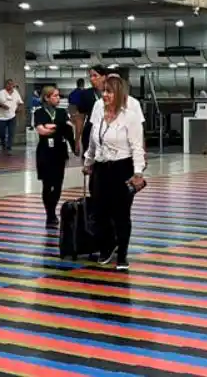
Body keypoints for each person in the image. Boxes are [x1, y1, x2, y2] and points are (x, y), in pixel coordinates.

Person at [83, 74, 146, 271]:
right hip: (102, 168)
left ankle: (123, 254)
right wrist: (88, 161)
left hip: (122, 167)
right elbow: (94, 141)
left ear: (118, 93)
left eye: (109, 92)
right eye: (104, 91)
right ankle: (107, 245)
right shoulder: (99, 113)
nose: (105, 95)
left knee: (121, 214)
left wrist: (138, 172)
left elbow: (137, 147)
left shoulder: (130, 116)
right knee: (99, 212)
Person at [33, 85, 74, 226]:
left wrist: (53, 127)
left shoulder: (62, 112)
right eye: (55, 96)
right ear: (46, 97)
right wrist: (59, 127)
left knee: (57, 184)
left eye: (58, 95)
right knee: (47, 184)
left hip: (59, 152)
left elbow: (69, 129)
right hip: (45, 152)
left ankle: (53, 210)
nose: (58, 98)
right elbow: (42, 131)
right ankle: (49, 214)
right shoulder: (39, 113)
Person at [0, 79, 23, 155]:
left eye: (12, 84)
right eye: (8, 84)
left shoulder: (16, 93)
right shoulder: (1, 93)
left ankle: (9, 148)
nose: (10, 86)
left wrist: (18, 108)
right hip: (2, 117)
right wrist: (2, 105)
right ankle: (3, 144)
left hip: (12, 117)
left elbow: (20, 102)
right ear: (5, 85)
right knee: (1, 133)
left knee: (11, 133)